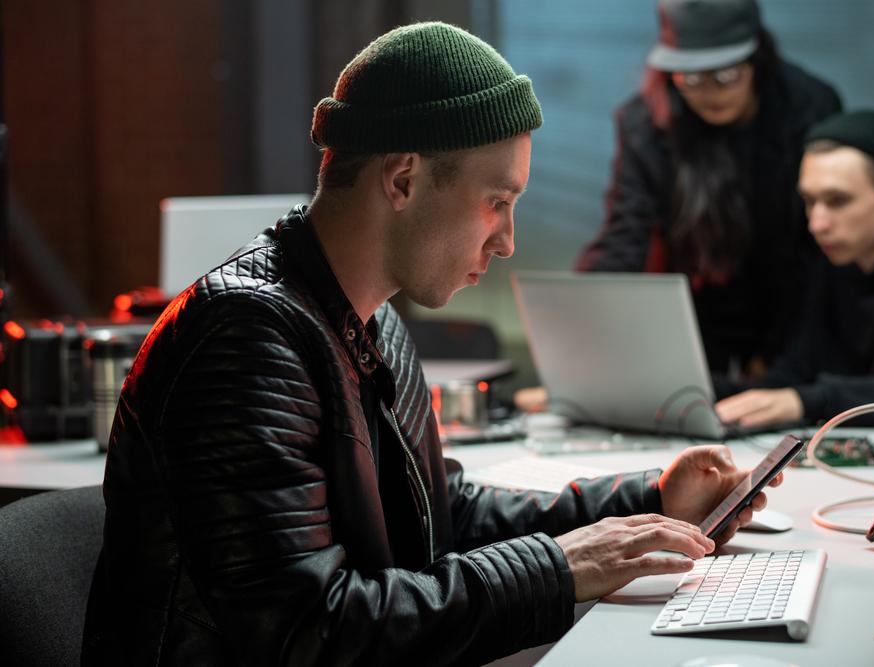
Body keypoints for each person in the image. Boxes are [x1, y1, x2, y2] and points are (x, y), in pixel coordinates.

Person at [82, 22, 777, 666]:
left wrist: (650, 499)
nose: (506, 241)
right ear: (403, 179)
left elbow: (443, 513)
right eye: (497, 202)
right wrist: (559, 567)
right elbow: (309, 631)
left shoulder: (368, 317)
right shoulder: (246, 338)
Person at [576, 0, 841, 376]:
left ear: (756, 60)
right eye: (691, 78)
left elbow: (813, 249)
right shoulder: (645, 122)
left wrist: (780, 357)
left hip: (794, 300)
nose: (709, 92)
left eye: (725, 75)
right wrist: (583, 329)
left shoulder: (808, 106)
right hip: (698, 305)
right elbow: (625, 233)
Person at [714, 110, 874, 428]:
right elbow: (797, 371)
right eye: (809, 201)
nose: (817, 224)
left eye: (837, 201)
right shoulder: (834, 260)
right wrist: (709, 391)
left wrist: (807, 400)